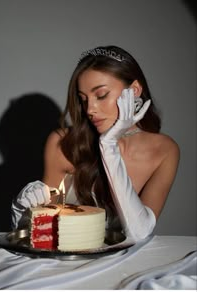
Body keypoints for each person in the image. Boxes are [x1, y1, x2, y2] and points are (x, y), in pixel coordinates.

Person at [11, 45, 180, 243]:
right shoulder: (63, 143)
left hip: (122, 267)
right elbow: (44, 230)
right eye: (83, 99)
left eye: (101, 95)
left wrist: (109, 145)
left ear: (133, 91)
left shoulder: (165, 150)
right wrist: (22, 211)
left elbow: (138, 232)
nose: (90, 109)